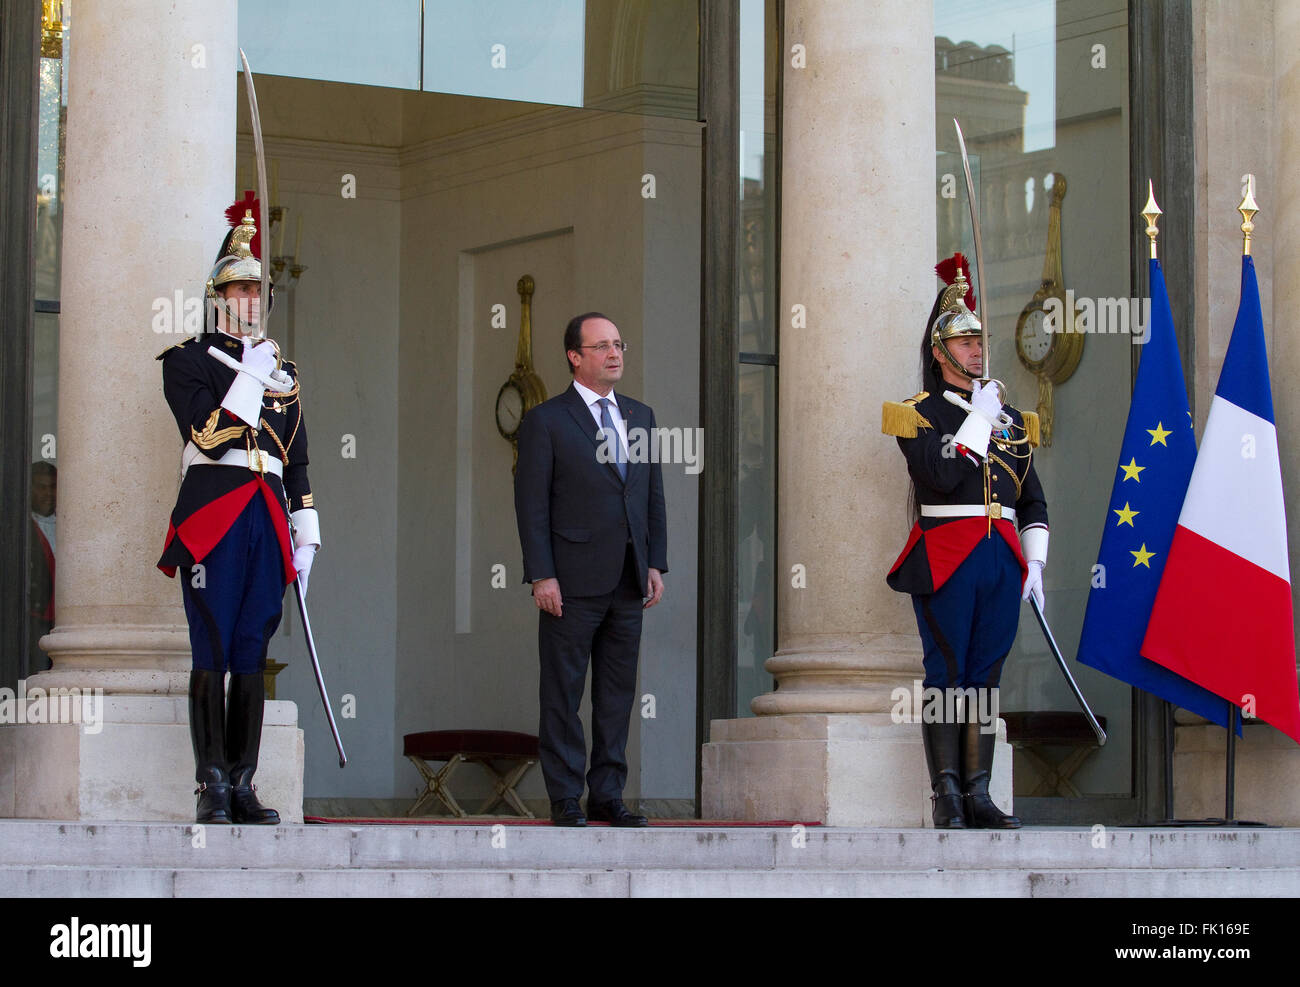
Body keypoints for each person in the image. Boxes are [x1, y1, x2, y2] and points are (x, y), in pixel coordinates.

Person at [156, 203, 320, 825]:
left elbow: (297, 460)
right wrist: (249, 376)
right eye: (240, 287)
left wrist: (306, 534)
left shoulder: (285, 374)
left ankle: (245, 782)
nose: (251, 297)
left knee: (252, 647)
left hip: (266, 515)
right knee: (214, 644)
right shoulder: (188, 361)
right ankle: (212, 784)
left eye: (257, 287)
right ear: (217, 295)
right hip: (215, 513)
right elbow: (210, 434)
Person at [882, 254, 1048, 830]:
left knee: (987, 676)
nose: (977, 350)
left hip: (1001, 557)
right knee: (946, 673)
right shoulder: (913, 414)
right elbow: (940, 476)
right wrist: (976, 421)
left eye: (981, 340)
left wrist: (1037, 561)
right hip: (947, 554)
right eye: (965, 341)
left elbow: (1031, 497)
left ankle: (978, 793)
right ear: (940, 351)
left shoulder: (1010, 420)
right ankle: (946, 795)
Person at [514, 312, 667, 827]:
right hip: (570, 579)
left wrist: (655, 563)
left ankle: (608, 795)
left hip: (628, 576)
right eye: (602, 346)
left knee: (617, 695)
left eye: (619, 344)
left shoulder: (641, 416)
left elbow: (651, 496)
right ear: (574, 357)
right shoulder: (546, 420)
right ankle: (564, 797)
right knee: (563, 692)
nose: (615, 353)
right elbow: (531, 505)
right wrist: (541, 574)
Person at [29, 461, 57, 673]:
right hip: (34, 616)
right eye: (41, 487)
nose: (48, 493)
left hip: (66, 620)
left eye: (52, 487)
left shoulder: (71, 524)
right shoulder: (20, 526)